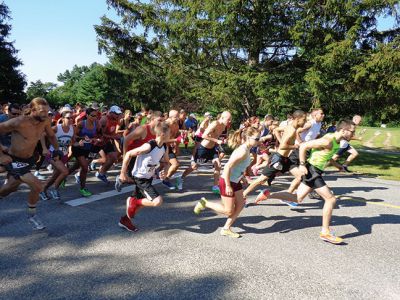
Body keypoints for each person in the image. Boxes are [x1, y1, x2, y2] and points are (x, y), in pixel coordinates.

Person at [254, 120, 356, 244]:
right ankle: (325, 232)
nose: (353, 134)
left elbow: (327, 156)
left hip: (315, 171)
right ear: (343, 130)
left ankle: (268, 195)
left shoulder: (336, 141)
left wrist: (338, 166)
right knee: (331, 199)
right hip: (312, 170)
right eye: (352, 131)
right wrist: (302, 165)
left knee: (297, 198)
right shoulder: (328, 140)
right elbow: (303, 146)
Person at [0, 98, 60, 230]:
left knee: (10, 188)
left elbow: (51, 136)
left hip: (28, 160)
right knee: (37, 185)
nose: (46, 114)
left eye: (47, 111)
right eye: (42, 111)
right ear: (33, 110)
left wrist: (57, 150)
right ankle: (32, 216)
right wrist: (1, 155)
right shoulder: (18, 122)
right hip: (14, 159)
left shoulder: (44, 121)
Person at [194, 127, 260, 238]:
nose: (259, 140)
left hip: (235, 180)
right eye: (257, 138)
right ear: (248, 138)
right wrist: (228, 185)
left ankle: (226, 228)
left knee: (241, 204)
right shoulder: (243, 151)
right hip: (227, 181)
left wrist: (242, 177)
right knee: (228, 211)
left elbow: (238, 167)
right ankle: (204, 203)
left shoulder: (247, 149)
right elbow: (228, 166)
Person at [243, 110, 307, 202]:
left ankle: (288, 196)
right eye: (303, 120)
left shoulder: (289, 127)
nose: (305, 122)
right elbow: (283, 146)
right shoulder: (292, 130)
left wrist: (281, 140)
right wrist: (295, 146)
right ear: (297, 119)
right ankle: (243, 194)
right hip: (278, 158)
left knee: (301, 176)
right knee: (261, 179)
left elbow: (276, 130)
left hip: (286, 159)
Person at [118, 122, 170, 232]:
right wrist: (122, 173)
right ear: (163, 134)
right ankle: (134, 202)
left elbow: (166, 162)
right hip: (140, 177)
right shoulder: (149, 146)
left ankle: (125, 220)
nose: (172, 134)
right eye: (169, 133)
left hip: (148, 177)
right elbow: (128, 154)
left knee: (141, 203)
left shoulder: (164, 147)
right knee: (157, 201)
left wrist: (164, 171)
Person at [181, 111, 232, 194]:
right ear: (222, 118)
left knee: (218, 165)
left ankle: (215, 186)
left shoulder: (224, 126)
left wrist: (223, 140)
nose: (229, 121)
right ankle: (181, 178)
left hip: (212, 149)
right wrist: (216, 140)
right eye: (228, 119)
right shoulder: (215, 124)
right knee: (194, 167)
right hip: (203, 148)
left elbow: (216, 136)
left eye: (230, 119)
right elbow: (204, 135)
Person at [115, 111, 164, 192]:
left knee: (140, 177)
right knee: (132, 178)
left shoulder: (157, 131)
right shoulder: (143, 129)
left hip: (142, 155)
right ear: (152, 119)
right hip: (132, 154)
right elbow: (126, 139)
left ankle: (138, 194)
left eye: (162, 121)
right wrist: (125, 154)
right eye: (159, 121)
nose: (161, 123)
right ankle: (120, 179)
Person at [40, 110, 75, 201]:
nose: (71, 119)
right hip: (53, 154)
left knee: (55, 175)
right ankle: (54, 189)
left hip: (63, 155)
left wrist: (77, 145)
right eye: (68, 118)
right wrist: (44, 148)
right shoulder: (56, 128)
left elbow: (72, 142)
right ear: (62, 119)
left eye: (72, 118)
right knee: (65, 171)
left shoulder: (72, 129)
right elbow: (42, 135)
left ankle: (42, 190)